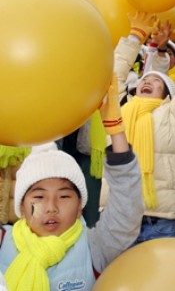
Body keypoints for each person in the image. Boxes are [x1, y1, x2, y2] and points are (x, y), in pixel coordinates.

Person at [0, 76, 144, 290]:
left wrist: (116, 131)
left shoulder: (94, 247)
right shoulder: (3, 241)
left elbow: (127, 210)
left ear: (79, 207)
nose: (51, 207)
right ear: (21, 206)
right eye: (39, 197)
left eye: (64, 196)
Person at [110, 10, 175, 244]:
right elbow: (112, 77)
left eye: (157, 82)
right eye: (144, 80)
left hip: (159, 220)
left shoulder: (173, 116)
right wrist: (135, 37)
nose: (149, 82)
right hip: (117, 216)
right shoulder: (119, 111)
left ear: (167, 96)